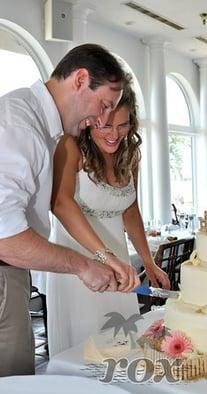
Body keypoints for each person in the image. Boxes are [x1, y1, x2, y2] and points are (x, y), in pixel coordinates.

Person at [0, 43, 140, 376]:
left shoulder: (32, 117)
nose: (102, 120)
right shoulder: (21, 126)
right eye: (104, 105)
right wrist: (83, 266)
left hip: (13, 274)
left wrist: (102, 259)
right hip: (5, 274)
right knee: (14, 386)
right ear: (80, 79)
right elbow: (5, 236)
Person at [48, 81, 170, 356]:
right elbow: (60, 203)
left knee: (122, 348)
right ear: (91, 120)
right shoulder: (70, 147)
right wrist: (104, 257)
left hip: (120, 267)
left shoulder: (130, 156)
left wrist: (148, 263)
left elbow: (130, 210)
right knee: (85, 352)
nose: (115, 134)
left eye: (123, 125)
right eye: (105, 125)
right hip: (79, 268)